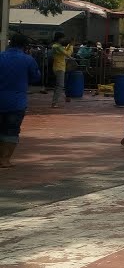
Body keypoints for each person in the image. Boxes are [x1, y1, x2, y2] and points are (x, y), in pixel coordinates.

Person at [0, 35, 42, 168]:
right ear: (25, 46)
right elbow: (36, 77)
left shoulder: (1, 56)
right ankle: (5, 159)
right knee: (11, 131)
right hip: (17, 102)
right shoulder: (28, 59)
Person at [49, 31, 73, 108]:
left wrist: (69, 45)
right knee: (60, 85)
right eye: (63, 38)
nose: (64, 40)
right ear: (59, 38)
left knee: (58, 85)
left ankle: (54, 102)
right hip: (59, 68)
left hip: (59, 67)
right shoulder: (57, 46)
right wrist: (71, 46)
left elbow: (65, 52)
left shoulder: (57, 46)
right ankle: (54, 103)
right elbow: (67, 54)